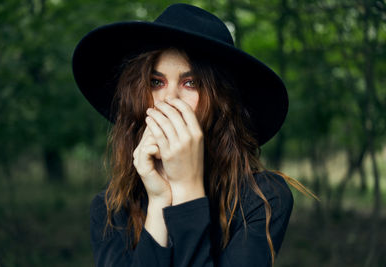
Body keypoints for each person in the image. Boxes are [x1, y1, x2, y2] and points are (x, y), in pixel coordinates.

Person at [72, 3, 318, 267]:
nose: (169, 99)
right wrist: (158, 202)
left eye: (191, 83)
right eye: (156, 82)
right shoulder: (110, 210)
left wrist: (187, 189)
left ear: (220, 101)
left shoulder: (263, 198)